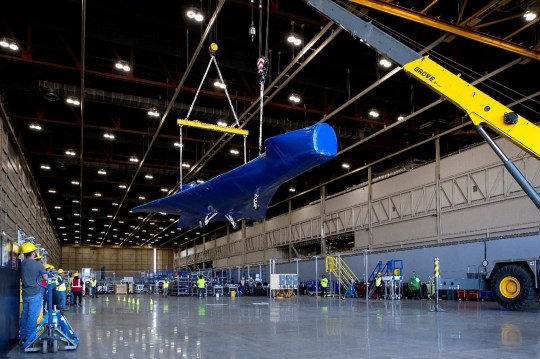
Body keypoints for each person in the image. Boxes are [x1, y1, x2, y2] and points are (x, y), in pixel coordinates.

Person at [19, 242, 47, 346]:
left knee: (25, 315)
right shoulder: (38, 265)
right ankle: (30, 339)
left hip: (25, 294)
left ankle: (22, 337)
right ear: (34, 253)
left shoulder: (21, 264)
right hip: (35, 294)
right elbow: (46, 278)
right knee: (32, 317)